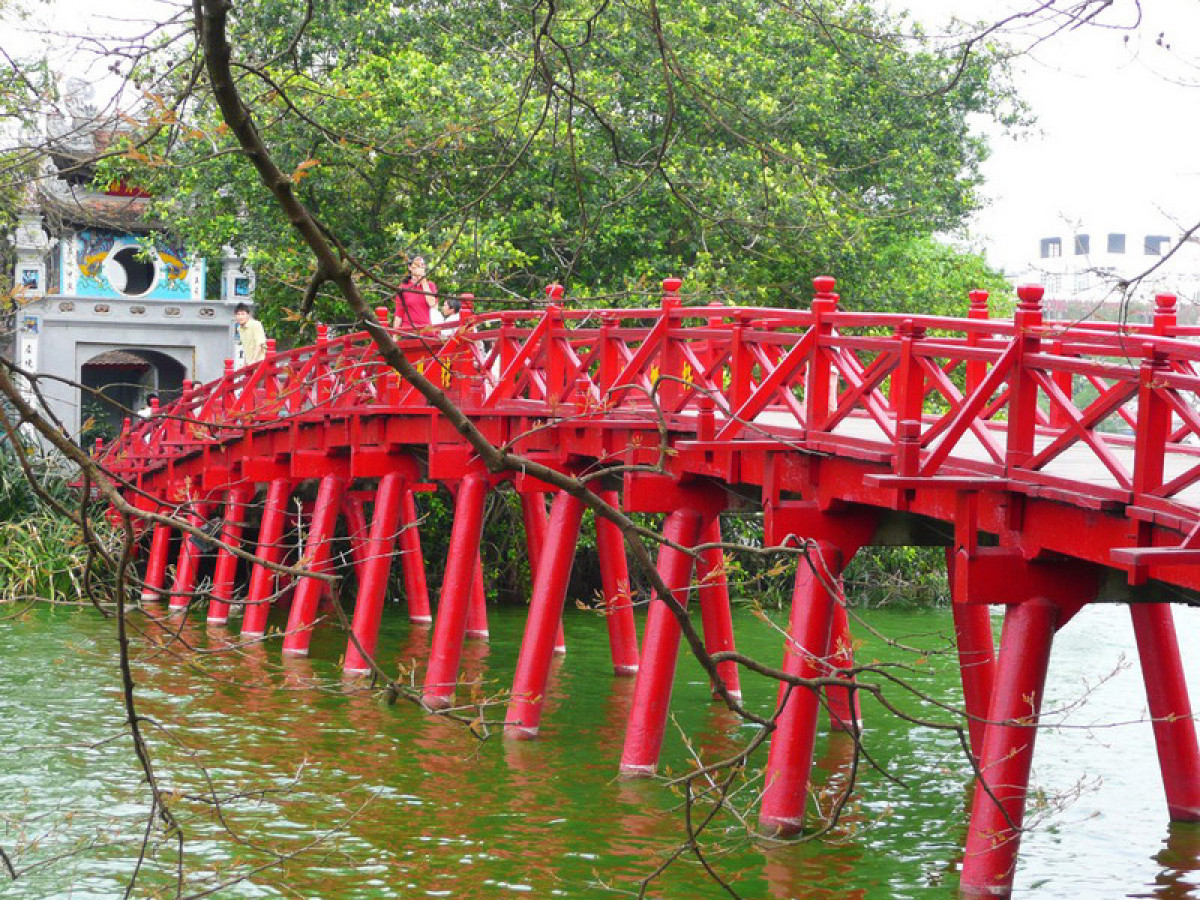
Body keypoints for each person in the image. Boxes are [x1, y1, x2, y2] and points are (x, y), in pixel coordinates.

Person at [392, 256, 438, 330]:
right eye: (417, 264)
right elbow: (399, 313)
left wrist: (423, 282)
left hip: (427, 329)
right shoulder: (403, 287)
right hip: (409, 329)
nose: (419, 267)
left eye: (422, 265)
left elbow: (432, 304)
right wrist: (395, 334)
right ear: (410, 267)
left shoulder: (430, 285)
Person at [234, 302, 267, 367]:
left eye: (243, 314)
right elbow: (246, 347)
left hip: (260, 361)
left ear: (248, 315)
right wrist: (245, 363)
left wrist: (253, 361)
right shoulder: (240, 329)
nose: (240, 317)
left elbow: (259, 344)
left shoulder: (255, 324)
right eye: (238, 314)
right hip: (250, 364)